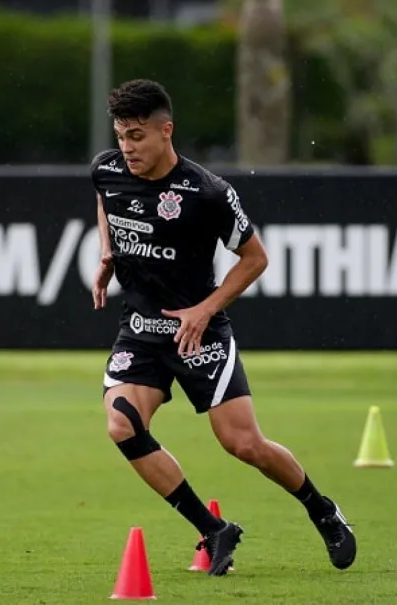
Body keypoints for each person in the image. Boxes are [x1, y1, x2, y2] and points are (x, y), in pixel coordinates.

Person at [90, 78, 356, 577]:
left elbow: (255, 259)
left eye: (138, 136)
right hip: (141, 329)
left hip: (199, 333)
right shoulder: (107, 168)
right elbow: (106, 199)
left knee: (244, 444)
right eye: (121, 136)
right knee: (121, 422)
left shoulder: (207, 192)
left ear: (166, 132)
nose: (127, 148)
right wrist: (109, 251)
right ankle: (213, 530)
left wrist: (206, 309)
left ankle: (322, 509)